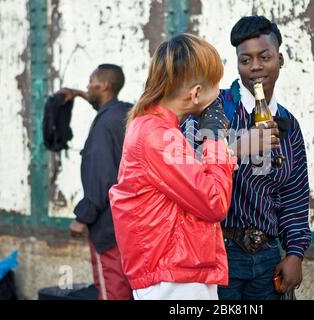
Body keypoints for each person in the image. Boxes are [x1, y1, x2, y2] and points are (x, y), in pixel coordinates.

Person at [183, 16, 311, 300]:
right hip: (216, 255)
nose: (255, 66)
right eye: (245, 60)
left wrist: (294, 254)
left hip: (267, 260)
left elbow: (294, 195)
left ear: (280, 58)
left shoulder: (288, 122)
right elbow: (185, 171)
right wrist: (237, 146)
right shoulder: (212, 110)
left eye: (264, 57)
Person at [108, 33, 237, 300]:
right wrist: (213, 136)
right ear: (197, 93)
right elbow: (214, 201)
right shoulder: (157, 134)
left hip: (173, 270)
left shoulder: (154, 126)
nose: (219, 94)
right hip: (173, 277)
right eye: (216, 86)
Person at [58, 64, 133, 300]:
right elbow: (104, 109)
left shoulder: (102, 127)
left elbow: (101, 178)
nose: (87, 86)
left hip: (108, 228)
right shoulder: (126, 114)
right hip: (131, 224)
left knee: (112, 291)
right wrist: (79, 95)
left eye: (91, 82)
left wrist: (82, 218)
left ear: (104, 86)